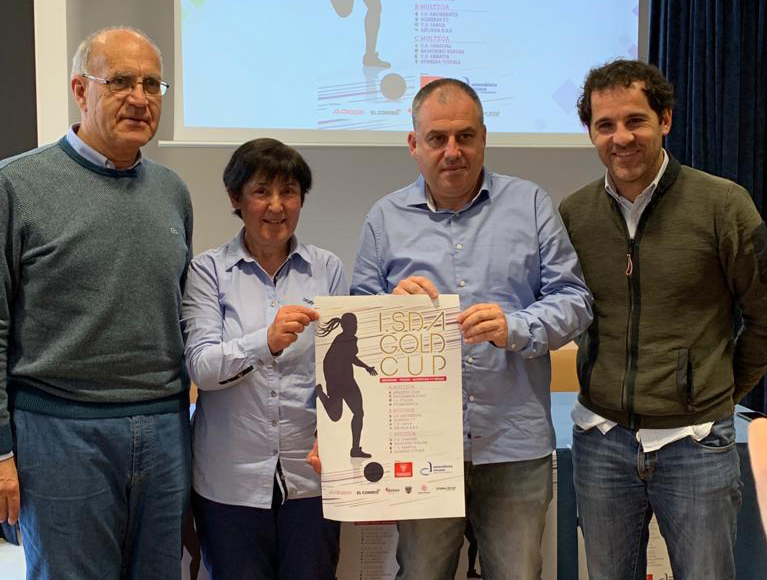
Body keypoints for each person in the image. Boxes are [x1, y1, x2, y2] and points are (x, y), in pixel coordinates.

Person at [350, 78, 593, 580]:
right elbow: (354, 325)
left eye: (465, 136)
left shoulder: (530, 204)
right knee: (421, 573)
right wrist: (388, 312)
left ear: (484, 138)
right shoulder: (384, 218)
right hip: (419, 447)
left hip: (512, 443)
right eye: (437, 138)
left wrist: (516, 326)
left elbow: (575, 301)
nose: (452, 151)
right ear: (414, 145)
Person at [559, 59, 767, 580]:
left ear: (666, 120)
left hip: (696, 444)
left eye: (636, 120)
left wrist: (719, 390)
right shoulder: (575, 214)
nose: (621, 137)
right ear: (590, 132)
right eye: (605, 125)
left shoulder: (723, 205)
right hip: (601, 441)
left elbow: (765, 314)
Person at [0, 27, 193, 580]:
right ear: (80, 90)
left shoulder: (173, 192)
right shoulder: (16, 185)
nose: (140, 98)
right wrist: (2, 453)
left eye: (152, 84)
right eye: (121, 82)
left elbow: (176, 311)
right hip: (59, 433)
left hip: (164, 430)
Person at [181, 138, 345, 580]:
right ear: (236, 198)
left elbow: (340, 370)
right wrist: (265, 342)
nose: (276, 206)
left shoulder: (327, 269)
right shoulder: (208, 271)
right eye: (261, 191)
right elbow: (201, 367)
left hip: (311, 477)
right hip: (229, 482)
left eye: (288, 192)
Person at [316, 312, 378, 458]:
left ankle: (355, 449)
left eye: (355, 324)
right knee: (335, 416)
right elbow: (330, 361)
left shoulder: (351, 339)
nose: (354, 327)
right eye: (351, 324)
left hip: (348, 380)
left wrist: (366, 367)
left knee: (359, 413)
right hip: (336, 380)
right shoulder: (342, 340)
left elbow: (351, 358)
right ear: (344, 326)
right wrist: (332, 382)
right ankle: (320, 392)